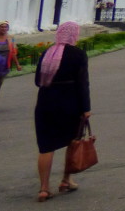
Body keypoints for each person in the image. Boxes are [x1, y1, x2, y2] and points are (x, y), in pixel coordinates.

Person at [34, 21, 91, 202]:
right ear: (74, 34)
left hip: (45, 102)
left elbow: (37, 80)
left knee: (46, 147)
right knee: (72, 142)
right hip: (70, 103)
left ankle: (44, 188)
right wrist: (86, 108)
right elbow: (83, 83)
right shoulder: (78, 54)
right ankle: (66, 180)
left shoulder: (48, 53)